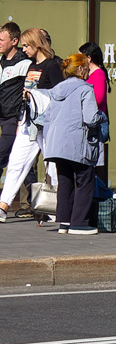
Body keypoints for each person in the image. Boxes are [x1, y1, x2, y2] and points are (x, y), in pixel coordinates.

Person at [0, 28, 64, 221]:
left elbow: (60, 94)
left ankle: (55, 208)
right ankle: (3, 206)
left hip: (47, 124)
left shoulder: (52, 66)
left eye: (27, 45)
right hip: (28, 122)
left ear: (37, 44)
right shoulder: (31, 67)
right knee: (16, 163)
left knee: (51, 166)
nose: (24, 49)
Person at [42, 53, 104, 234]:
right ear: (79, 69)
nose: (87, 71)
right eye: (86, 68)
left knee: (65, 180)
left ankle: (64, 222)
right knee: (86, 179)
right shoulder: (85, 89)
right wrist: (102, 117)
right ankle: (79, 223)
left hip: (56, 144)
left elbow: (48, 117)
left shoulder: (57, 89)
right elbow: (91, 118)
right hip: (77, 141)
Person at [0, 23, 26, 205]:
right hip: (1, 114)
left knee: (3, 155)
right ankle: (34, 202)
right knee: (20, 162)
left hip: (12, 118)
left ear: (14, 41)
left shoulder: (24, 63)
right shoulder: (0, 62)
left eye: (2, 39)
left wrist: (20, 118)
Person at [79, 42, 110, 183]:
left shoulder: (98, 74)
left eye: (81, 56)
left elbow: (99, 98)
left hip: (95, 124)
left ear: (89, 58)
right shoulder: (86, 73)